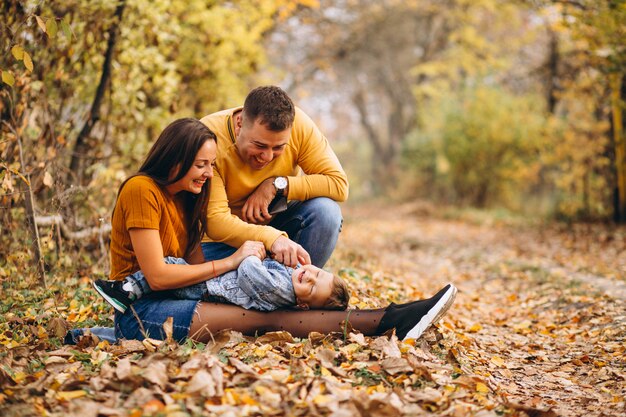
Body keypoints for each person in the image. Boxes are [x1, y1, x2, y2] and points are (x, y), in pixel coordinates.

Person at [85, 117, 457, 345]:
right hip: (140, 312)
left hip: (178, 299)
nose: (209, 174)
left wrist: (238, 288)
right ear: (176, 160)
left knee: (261, 310)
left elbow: (192, 264)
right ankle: (387, 321)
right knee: (265, 322)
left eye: (212, 165)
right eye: (201, 165)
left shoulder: (188, 196)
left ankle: (397, 315)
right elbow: (158, 274)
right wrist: (233, 261)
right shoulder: (141, 190)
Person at [199, 85, 348, 268]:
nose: (267, 157)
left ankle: (300, 287)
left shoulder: (299, 125)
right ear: (239, 125)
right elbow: (215, 222)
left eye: (278, 147)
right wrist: (272, 238)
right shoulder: (208, 138)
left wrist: (279, 186)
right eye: (260, 145)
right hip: (220, 244)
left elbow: (338, 184)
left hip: (278, 230)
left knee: (326, 211)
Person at [92, 256, 350, 313]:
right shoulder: (288, 281)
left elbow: (249, 272)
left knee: (171, 267)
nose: (310, 276)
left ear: (304, 305)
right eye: (317, 272)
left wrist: (250, 254)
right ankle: (130, 291)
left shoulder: (282, 290)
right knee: (171, 268)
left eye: (313, 287)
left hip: (208, 287)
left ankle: (126, 292)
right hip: (210, 283)